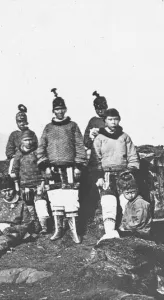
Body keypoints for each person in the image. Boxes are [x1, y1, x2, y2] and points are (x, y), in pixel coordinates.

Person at [37, 88, 87, 243]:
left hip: (70, 168)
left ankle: (74, 232)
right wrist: (44, 165)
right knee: (55, 198)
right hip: (52, 169)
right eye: (56, 109)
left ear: (65, 110)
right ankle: (59, 230)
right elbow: (41, 147)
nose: (59, 112)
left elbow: (80, 145)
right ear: (53, 111)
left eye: (61, 109)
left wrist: (79, 165)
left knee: (71, 199)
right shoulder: (48, 128)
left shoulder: (72, 126)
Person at [90, 108, 140, 242]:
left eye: (116, 119)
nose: (113, 122)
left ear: (119, 120)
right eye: (110, 119)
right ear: (105, 121)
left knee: (127, 202)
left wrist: (131, 171)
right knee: (108, 203)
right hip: (107, 175)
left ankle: (130, 232)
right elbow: (95, 160)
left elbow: (133, 156)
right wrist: (98, 176)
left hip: (124, 174)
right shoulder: (99, 139)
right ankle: (109, 233)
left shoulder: (124, 137)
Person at [79, 91, 109, 235]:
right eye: (98, 109)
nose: (100, 111)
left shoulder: (111, 119)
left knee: (107, 186)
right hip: (95, 159)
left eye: (102, 108)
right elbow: (85, 141)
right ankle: (92, 216)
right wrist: (91, 136)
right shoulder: (92, 121)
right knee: (93, 185)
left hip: (108, 158)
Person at [11, 129, 50, 234]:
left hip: (38, 185)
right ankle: (35, 226)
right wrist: (16, 185)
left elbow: (43, 170)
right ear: (21, 141)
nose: (28, 142)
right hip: (25, 187)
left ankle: (44, 227)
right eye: (25, 140)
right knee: (29, 208)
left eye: (30, 140)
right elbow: (14, 170)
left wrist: (42, 184)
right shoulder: (18, 154)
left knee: (41, 205)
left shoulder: (37, 152)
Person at [117, 171, 152, 239]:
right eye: (127, 193)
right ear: (122, 192)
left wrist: (126, 227)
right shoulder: (129, 203)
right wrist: (122, 225)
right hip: (133, 230)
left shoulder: (140, 203)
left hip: (141, 232)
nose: (130, 195)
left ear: (137, 189)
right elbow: (125, 218)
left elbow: (139, 221)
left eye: (133, 192)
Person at [5, 104, 38, 175]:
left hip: (30, 154)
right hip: (17, 155)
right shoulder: (14, 134)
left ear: (26, 122)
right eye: (19, 122)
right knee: (12, 166)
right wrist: (12, 155)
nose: (22, 123)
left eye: (23, 121)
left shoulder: (31, 133)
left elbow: (35, 145)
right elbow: (9, 147)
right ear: (16, 122)